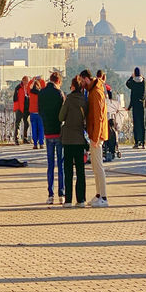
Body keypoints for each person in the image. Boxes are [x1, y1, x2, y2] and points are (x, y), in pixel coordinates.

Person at [81, 69, 109, 207]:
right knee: (95, 166)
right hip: (94, 134)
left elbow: (99, 117)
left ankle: (103, 197)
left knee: (98, 166)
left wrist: (96, 137)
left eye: (82, 81)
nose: (81, 84)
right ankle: (99, 195)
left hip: (97, 135)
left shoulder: (96, 92)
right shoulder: (93, 91)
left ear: (86, 79)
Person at [59, 77, 88, 207]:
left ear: (72, 87)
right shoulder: (84, 100)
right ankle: (81, 199)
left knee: (68, 170)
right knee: (80, 171)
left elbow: (61, 117)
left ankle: (68, 200)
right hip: (79, 138)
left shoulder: (69, 100)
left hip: (68, 139)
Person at [38, 71, 65, 205]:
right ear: (58, 81)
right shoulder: (59, 94)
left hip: (48, 132)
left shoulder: (42, 93)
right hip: (58, 132)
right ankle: (61, 193)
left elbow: (40, 110)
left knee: (50, 165)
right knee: (60, 164)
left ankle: (50, 194)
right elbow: (63, 112)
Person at [126, 67, 146, 149]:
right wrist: (143, 77)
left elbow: (127, 83)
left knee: (136, 124)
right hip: (142, 106)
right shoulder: (144, 82)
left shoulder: (133, 82)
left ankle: (136, 142)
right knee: (143, 124)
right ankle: (143, 143)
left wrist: (131, 77)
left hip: (135, 106)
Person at [27, 76, 45, 150]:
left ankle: (35, 144)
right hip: (40, 112)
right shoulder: (41, 93)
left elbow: (28, 86)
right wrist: (41, 80)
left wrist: (32, 80)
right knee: (41, 128)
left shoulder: (30, 93)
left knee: (34, 128)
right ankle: (41, 143)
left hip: (32, 112)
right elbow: (44, 86)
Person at [13, 76, 30, 145]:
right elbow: (15, 98)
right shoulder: (18, 88)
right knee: (17, 123)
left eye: (27, 81)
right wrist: (17, 108)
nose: (27, 82)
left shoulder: (29, 88)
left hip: (26, 109)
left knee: (27, 123)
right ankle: (16, 139)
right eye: (26, 81)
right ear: (23, 80)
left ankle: (25, 138)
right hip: (19, 108)